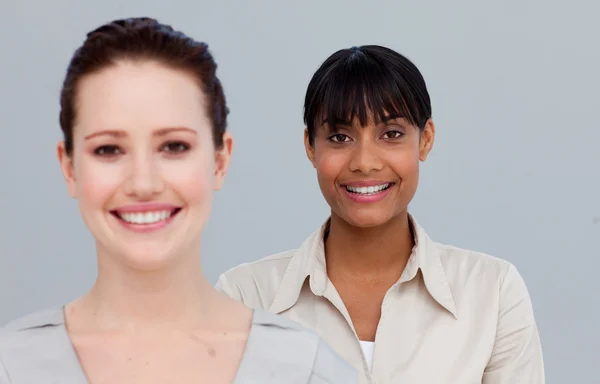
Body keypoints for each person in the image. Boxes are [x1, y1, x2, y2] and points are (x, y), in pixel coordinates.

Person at [0, 18, 356, 384]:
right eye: (108, 149)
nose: (143, 183)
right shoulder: (12, 367)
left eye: (174, 146)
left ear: (220, 160)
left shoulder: (307, 371)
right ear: (69, 167)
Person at [216, 45, 545, 383]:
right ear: (311, 147)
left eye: (391, 134)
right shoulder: (245, 297)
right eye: (340, 137)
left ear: (426, 140)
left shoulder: (493, 292)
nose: (365, 162)